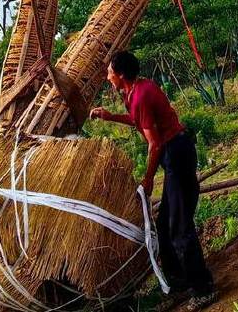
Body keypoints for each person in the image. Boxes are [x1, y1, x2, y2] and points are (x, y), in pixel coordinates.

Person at [90, 51, 217, 312]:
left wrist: (148, 179)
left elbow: (154, 143)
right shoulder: (137, 91)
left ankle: (203, 289)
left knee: (179, 226)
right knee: (165, 223)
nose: (107, 76)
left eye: (109, 71)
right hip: (174, 152)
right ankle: (180, 283)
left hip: (175, 153)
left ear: (121, 74)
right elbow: (140, 121)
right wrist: (110, 116)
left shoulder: (142, 95)